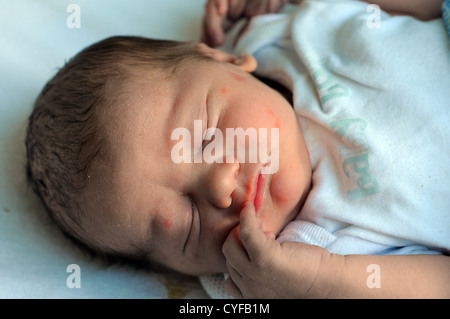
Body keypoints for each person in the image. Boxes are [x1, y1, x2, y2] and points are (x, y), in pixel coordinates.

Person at [25, 0, 449, 298]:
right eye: (188, 222)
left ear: (226, 61)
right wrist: (323, 283)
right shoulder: (321, 257)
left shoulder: (285, 36)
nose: (221, 186)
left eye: (206, 137)